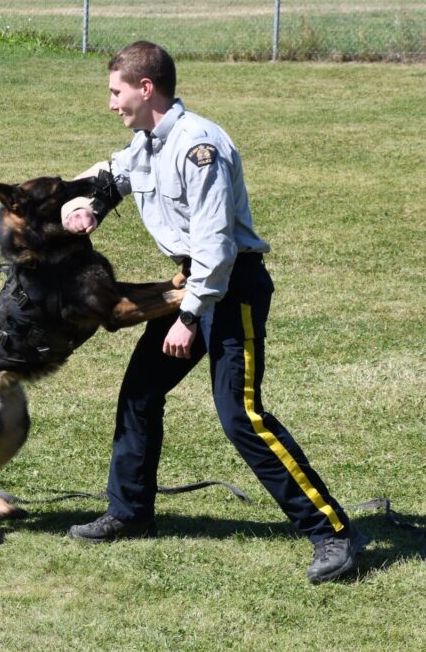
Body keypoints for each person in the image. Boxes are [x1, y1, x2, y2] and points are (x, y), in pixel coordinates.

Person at [62, 41, 364, 584]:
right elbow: (113, 176)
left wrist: (187, 316)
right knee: (140, 390)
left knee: (241, 416)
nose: (111, 104)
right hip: (192, 284)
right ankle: (129, 513)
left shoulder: (198, 146)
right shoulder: (148, 141)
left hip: (229, 290)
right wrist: (87, 207)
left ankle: (332, 534)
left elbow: (218, 246)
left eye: (116, 91)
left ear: (145, 88)